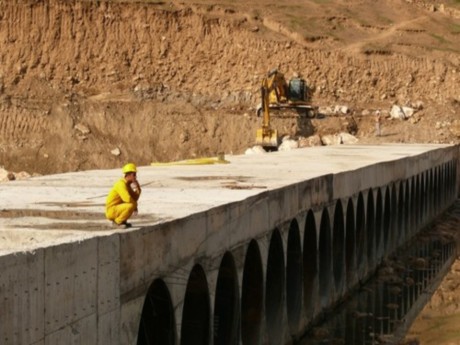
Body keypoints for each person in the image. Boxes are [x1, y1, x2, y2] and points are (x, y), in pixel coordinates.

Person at [105, 163, 141, 228]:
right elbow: (127, 199)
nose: (135, 177)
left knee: (132, 204)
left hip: (117, 208)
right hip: (111, 210)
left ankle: (122, 221)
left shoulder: (127, 185)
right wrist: (135, 206)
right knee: (131, 205)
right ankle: (117, 222)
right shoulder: (121, 184)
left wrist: (137, 187)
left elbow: (134, 197)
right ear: (128, 175)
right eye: (134, 175)